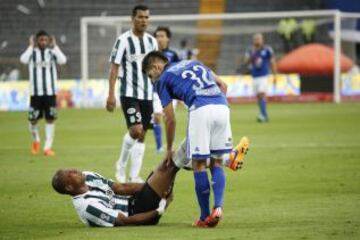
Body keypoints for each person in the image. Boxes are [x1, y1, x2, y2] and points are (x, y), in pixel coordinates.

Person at [142, 51, 246, 227]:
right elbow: (223, 84)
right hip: (222, 106)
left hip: (200, 109)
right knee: (217, 162)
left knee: (198, 164)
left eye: (151, 76)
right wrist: (218, 108)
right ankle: (218, 207)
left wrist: (168, 149)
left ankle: (205, 217)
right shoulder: (193, 62)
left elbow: (170, 119)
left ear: (156, 67)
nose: (153, 80)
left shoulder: (163, 80)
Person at [51, 138, 249, 227]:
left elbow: (120, 187)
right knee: (170, 164)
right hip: (140, 213)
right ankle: (226, 158)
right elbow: (125, 221)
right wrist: (159, 209)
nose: (75, 170)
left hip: (140, 200)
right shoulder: (87, 207)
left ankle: (227, 159)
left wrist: (150, 185)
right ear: (69, 187)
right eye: (71, 173)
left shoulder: (88, 176)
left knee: (169, 166)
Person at [106, 5, 158, 183]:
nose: (144, 20)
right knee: (136, 130)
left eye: (146, 17)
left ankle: (134, 175)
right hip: (129, 93)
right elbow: (114, 68)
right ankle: (120, 164)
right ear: (132, 19)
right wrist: (111, 94)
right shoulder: (123, 40)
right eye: (140, 17)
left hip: (147, 94)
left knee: (143, 134)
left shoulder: (152, 42)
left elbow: (156, 69)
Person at [20, 30, 67, 156]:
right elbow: (23, 60)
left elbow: (63, 60)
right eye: (41, 40)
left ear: (48, 41)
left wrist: (55, 46)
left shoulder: (51, 53)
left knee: (50, 119)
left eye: (46, 40)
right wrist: (30, 46)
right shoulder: (32, 53)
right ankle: (36, 141)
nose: (44, 42)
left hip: (50, 93)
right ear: (37, 41)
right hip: (35, 93)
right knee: (32, 120)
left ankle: (47, 147)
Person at [152, 26, 181, 153]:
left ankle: (170, 144)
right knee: (157, 117)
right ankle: (159, 147)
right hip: (156, 90)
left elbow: (179, 72)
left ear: (168, 39)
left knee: (168, 118)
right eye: (157, 36)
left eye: (162, 36)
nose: (159, 39)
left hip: (170, 92)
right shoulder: (151, 54)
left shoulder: (173, 55)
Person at [243, 33, 277, 123]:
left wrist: (275, 75)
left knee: (262, 94)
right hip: (254, 77)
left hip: (264, 76)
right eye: (256, 39)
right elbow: (245, 62)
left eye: (259, 39)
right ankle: (264, 115)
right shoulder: (250, 50)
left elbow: (272, 62)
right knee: (258, 97)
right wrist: (252, 56)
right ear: (253, 40)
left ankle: (262, 116)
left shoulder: (267, 49)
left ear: (262, 40)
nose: (257, 40)